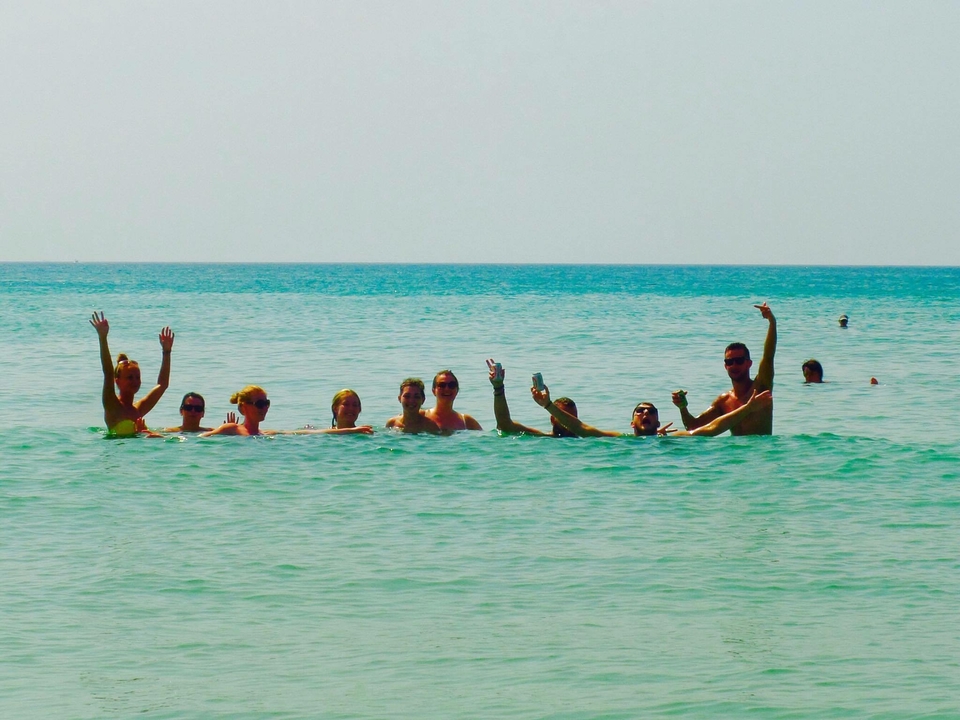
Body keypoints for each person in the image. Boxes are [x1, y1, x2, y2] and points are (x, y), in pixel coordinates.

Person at [672, 302, 777, 436]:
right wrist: (683, 407)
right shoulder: (724, 401)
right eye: (729, 361)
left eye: (739, 361)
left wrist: (772, 322)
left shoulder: (761, 388)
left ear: (749, 363)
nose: (734, 365)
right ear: (725, 366)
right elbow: (693, 427)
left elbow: (768, 356)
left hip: (762, 454)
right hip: (735, 455)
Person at [533, 385, 773, 437]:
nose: (645, 413)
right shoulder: (621, 440)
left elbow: (712, 428)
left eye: (650, 411)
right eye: (639, 411)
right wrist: (548, 406)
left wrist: (748, 408)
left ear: (658, 422)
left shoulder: (672, 440)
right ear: (631, 423)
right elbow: (581, 428)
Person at [89, 311, 174, 436]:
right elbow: (107, 372)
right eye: (130, 377)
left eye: (137, 377)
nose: (135, 381)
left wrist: (166, 351)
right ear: (117, 380)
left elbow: (163, 385)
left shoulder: (138, 409)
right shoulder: (112, 405)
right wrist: (102, 338)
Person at [486, 358, 579, 437]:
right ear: (552, 420)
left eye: (573, 419)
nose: (569, 423)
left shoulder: (585, 437)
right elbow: (505, 425)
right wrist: (498, 387)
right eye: (564, 418)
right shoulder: (542, 438)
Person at [290, 389, 374, 435]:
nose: (351, 408)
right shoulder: (323, 432)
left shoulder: (365, 433)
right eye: (346, 404)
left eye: (355, 405)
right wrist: (351, 431)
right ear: (335, 408)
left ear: (359, 409)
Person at [201, 385, 276, 436]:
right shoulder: (232, 429)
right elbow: (200, 438)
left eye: (267, 403)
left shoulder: (264, 434)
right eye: (260, 404)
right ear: (244, 406)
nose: (265, 408)